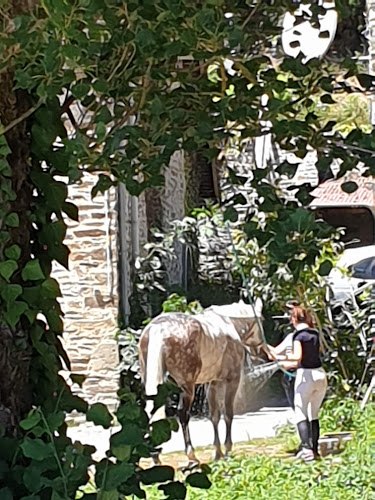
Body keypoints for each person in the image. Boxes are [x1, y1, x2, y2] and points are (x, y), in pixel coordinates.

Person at [267, 304, 327, 463]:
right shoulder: (315, 333)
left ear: (294, 319)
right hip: (320, 375)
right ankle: (314, 450)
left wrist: (281, 359)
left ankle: (306, 450)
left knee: (301, 413)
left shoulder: (298, 336)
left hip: (305, 376)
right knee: (313, 415)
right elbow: (316, 352)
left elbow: (297, 357)